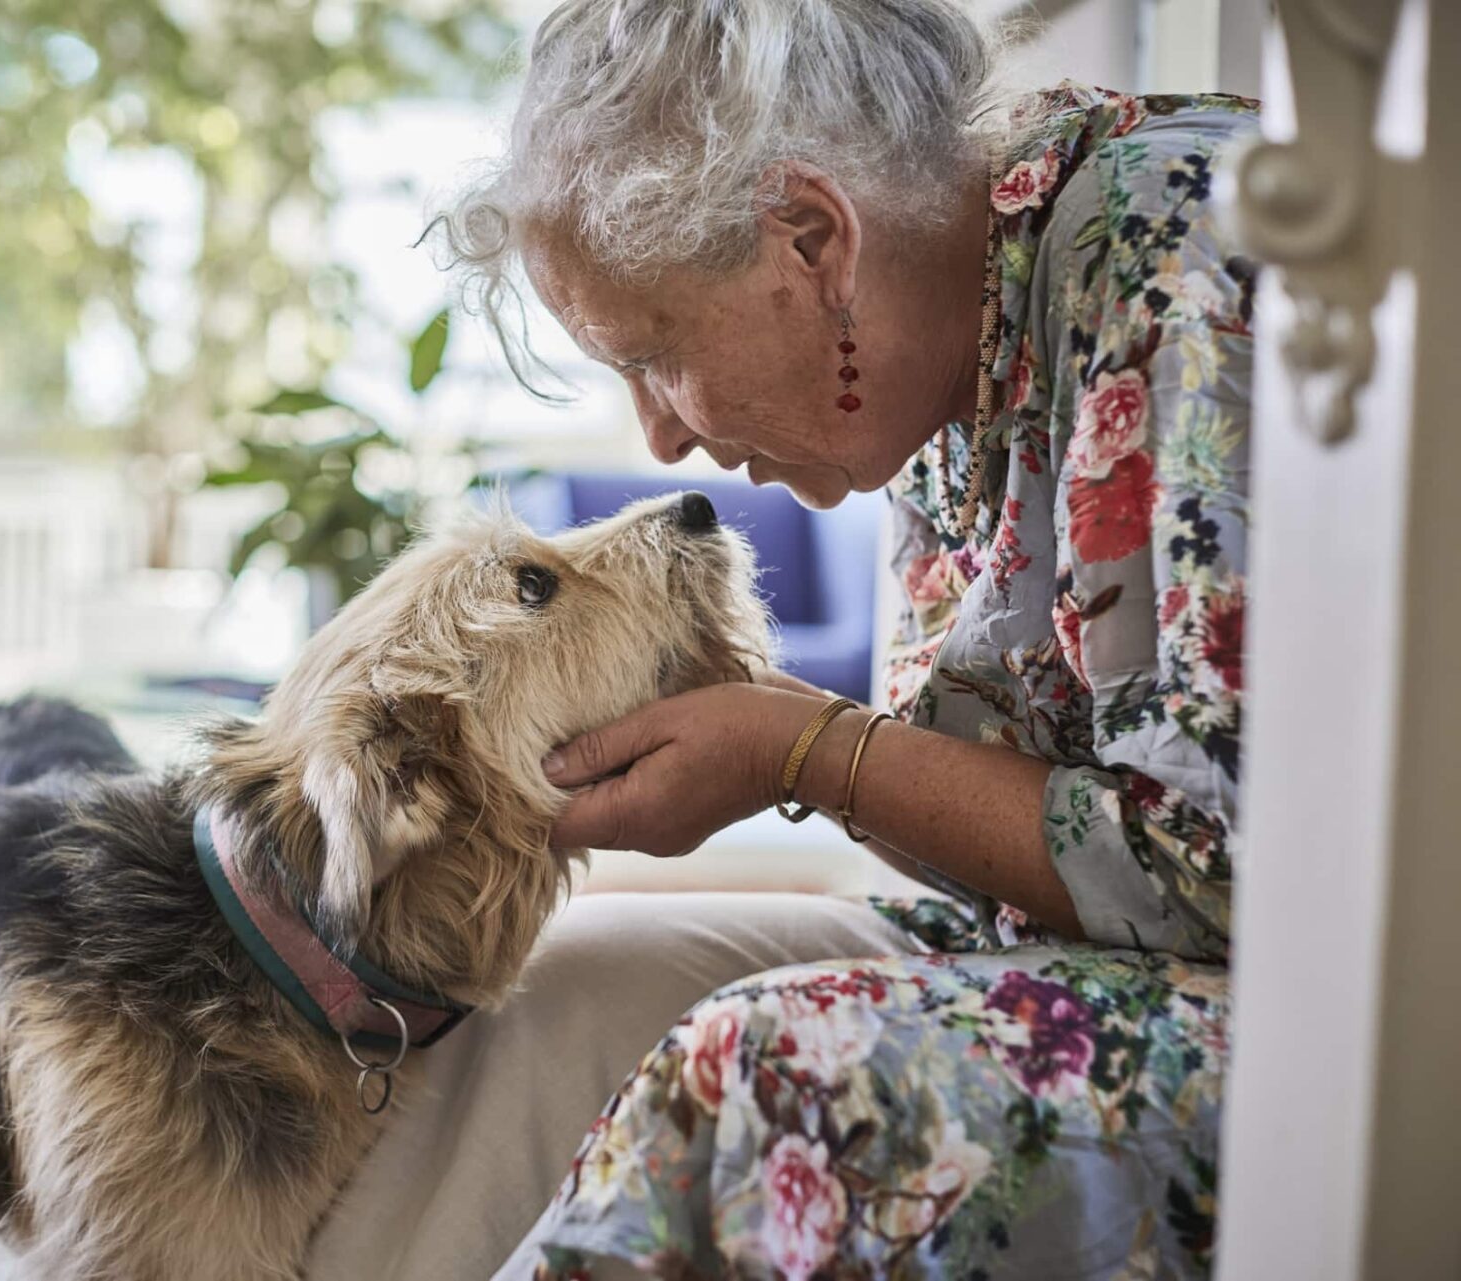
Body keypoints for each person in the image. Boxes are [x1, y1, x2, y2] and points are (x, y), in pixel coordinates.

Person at [412, 0, 1255, 1275]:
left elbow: (1217, 875)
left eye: (653, 354)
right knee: (552, 995)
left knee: (758, 1069)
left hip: (1340, 1020)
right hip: (1081, 963)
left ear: (811, 240)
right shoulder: (936, 352)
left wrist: (803, 752)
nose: (658, 439)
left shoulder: (1178, 263)